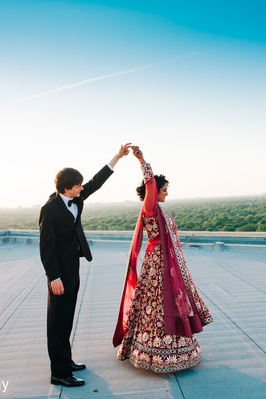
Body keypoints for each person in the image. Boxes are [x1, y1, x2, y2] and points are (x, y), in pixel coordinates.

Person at [113, 146, 213, 373]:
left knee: (168, 303)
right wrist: (142, 161)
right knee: (157, 304)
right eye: (165, 190)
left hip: (164, 264)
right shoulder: (149, 208)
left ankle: (177, 348)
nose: (167, 193)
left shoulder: (158, 209)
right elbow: (150, 185)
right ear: (155, 191)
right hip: (157, 265)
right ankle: (153, 351)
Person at [40, 143, 131, 387]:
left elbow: (95, 182)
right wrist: (53, 277)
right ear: (66, 188)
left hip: (73, 267)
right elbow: (46, 248)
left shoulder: (76, 198)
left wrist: (117, 158)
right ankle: (58, 373)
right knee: (57, 321)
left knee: (67, 317)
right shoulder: (49, 210)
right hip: (59, 273)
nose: (82, 188)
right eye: (78, 185)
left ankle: (65, 360)